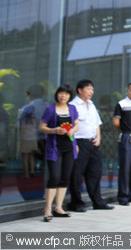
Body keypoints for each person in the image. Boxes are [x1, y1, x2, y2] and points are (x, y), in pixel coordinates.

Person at [68, 79, 114, 212]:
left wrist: (98, 137)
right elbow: (69, 127)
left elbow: (96, 124)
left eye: (92, 89)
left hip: (93, 143)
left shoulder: (92, 105)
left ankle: (97, 201)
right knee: (77, 174)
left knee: (95, 173)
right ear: (80, 90)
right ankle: (76, 203)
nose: (91, 92)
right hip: (79, 143)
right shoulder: (73, 105)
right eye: (88, 89)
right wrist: (73, 143)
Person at [39, 84, 79, 222]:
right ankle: (48, 209)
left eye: (66, 94)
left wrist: (72, 131)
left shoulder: (72, 108)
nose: (63, 96)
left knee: (64, 177)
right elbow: (42, 127)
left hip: (69, 147)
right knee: (54, 177)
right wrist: (54, 130)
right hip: (55, 148)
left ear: (70, 96)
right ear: (57, 94)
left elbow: (76, 124)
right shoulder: (50, 109)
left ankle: (59, 208)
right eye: (61, 93)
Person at [18, 84, 46, 178]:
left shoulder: (26, 109)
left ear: (28, 94)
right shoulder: (48, 106)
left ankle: (27, 173)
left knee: (26, 156)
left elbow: (19, 125)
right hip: (44, 138)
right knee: (32, 155)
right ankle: (33, 171)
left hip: (29, 137)